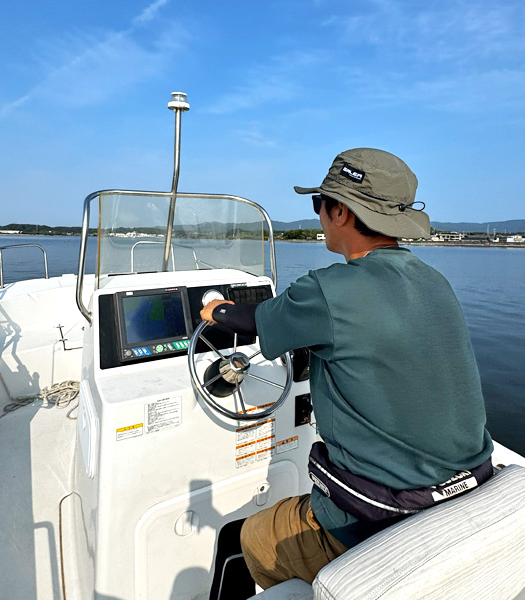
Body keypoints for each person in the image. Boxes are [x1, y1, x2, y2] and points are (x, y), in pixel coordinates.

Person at [200, 148, 494, 590]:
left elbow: (250, 319)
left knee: (243, 537)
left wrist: (212, 310)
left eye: (319, 204)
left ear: (340, 211)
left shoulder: (330, 289)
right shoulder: (434, 281)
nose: (318, 214)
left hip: (381, 515)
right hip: (459, 493)